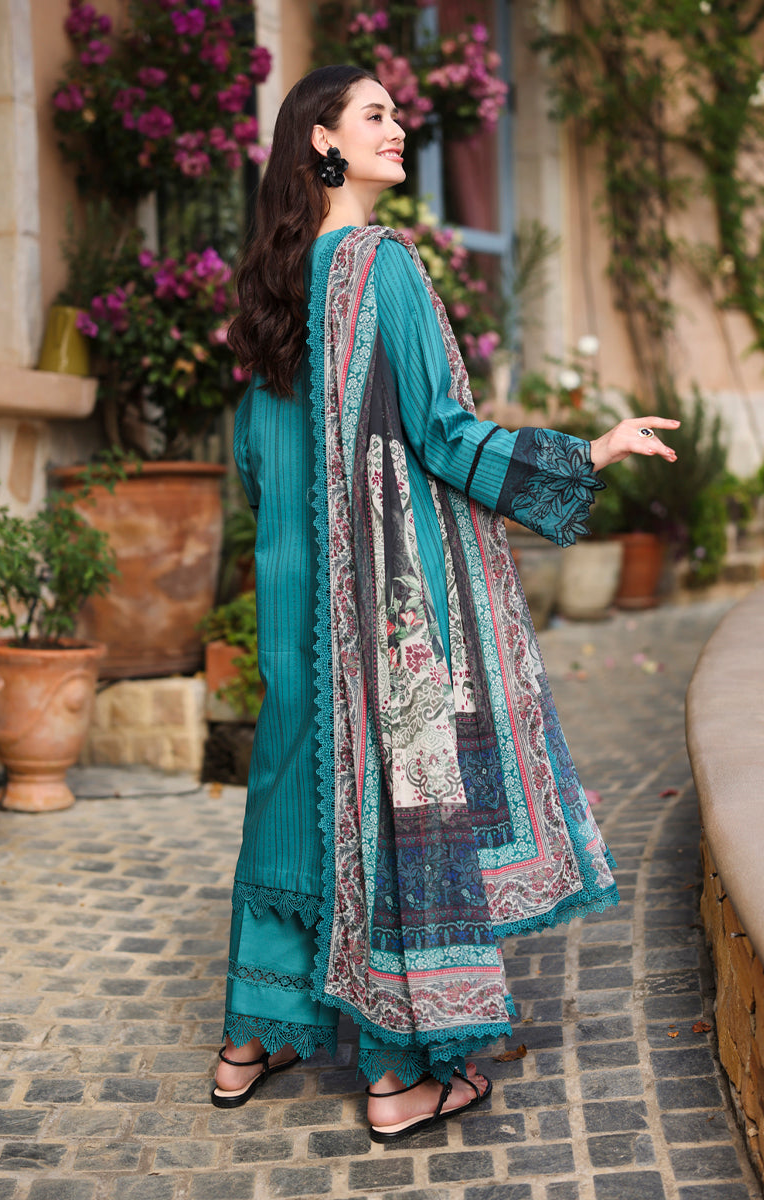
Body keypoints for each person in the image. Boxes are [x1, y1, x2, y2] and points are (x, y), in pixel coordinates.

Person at [215, 64, 679, 1143]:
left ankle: (252, 1040)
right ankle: (397, 1076)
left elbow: (253, 453)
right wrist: (585, 450)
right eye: (372, 114)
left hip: (290, 596)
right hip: (384, 611)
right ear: (318, 141)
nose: (398, 128)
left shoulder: (278, 282)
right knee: (391, 812)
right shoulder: (382, 263)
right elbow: (441, 436)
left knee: (291, 796)